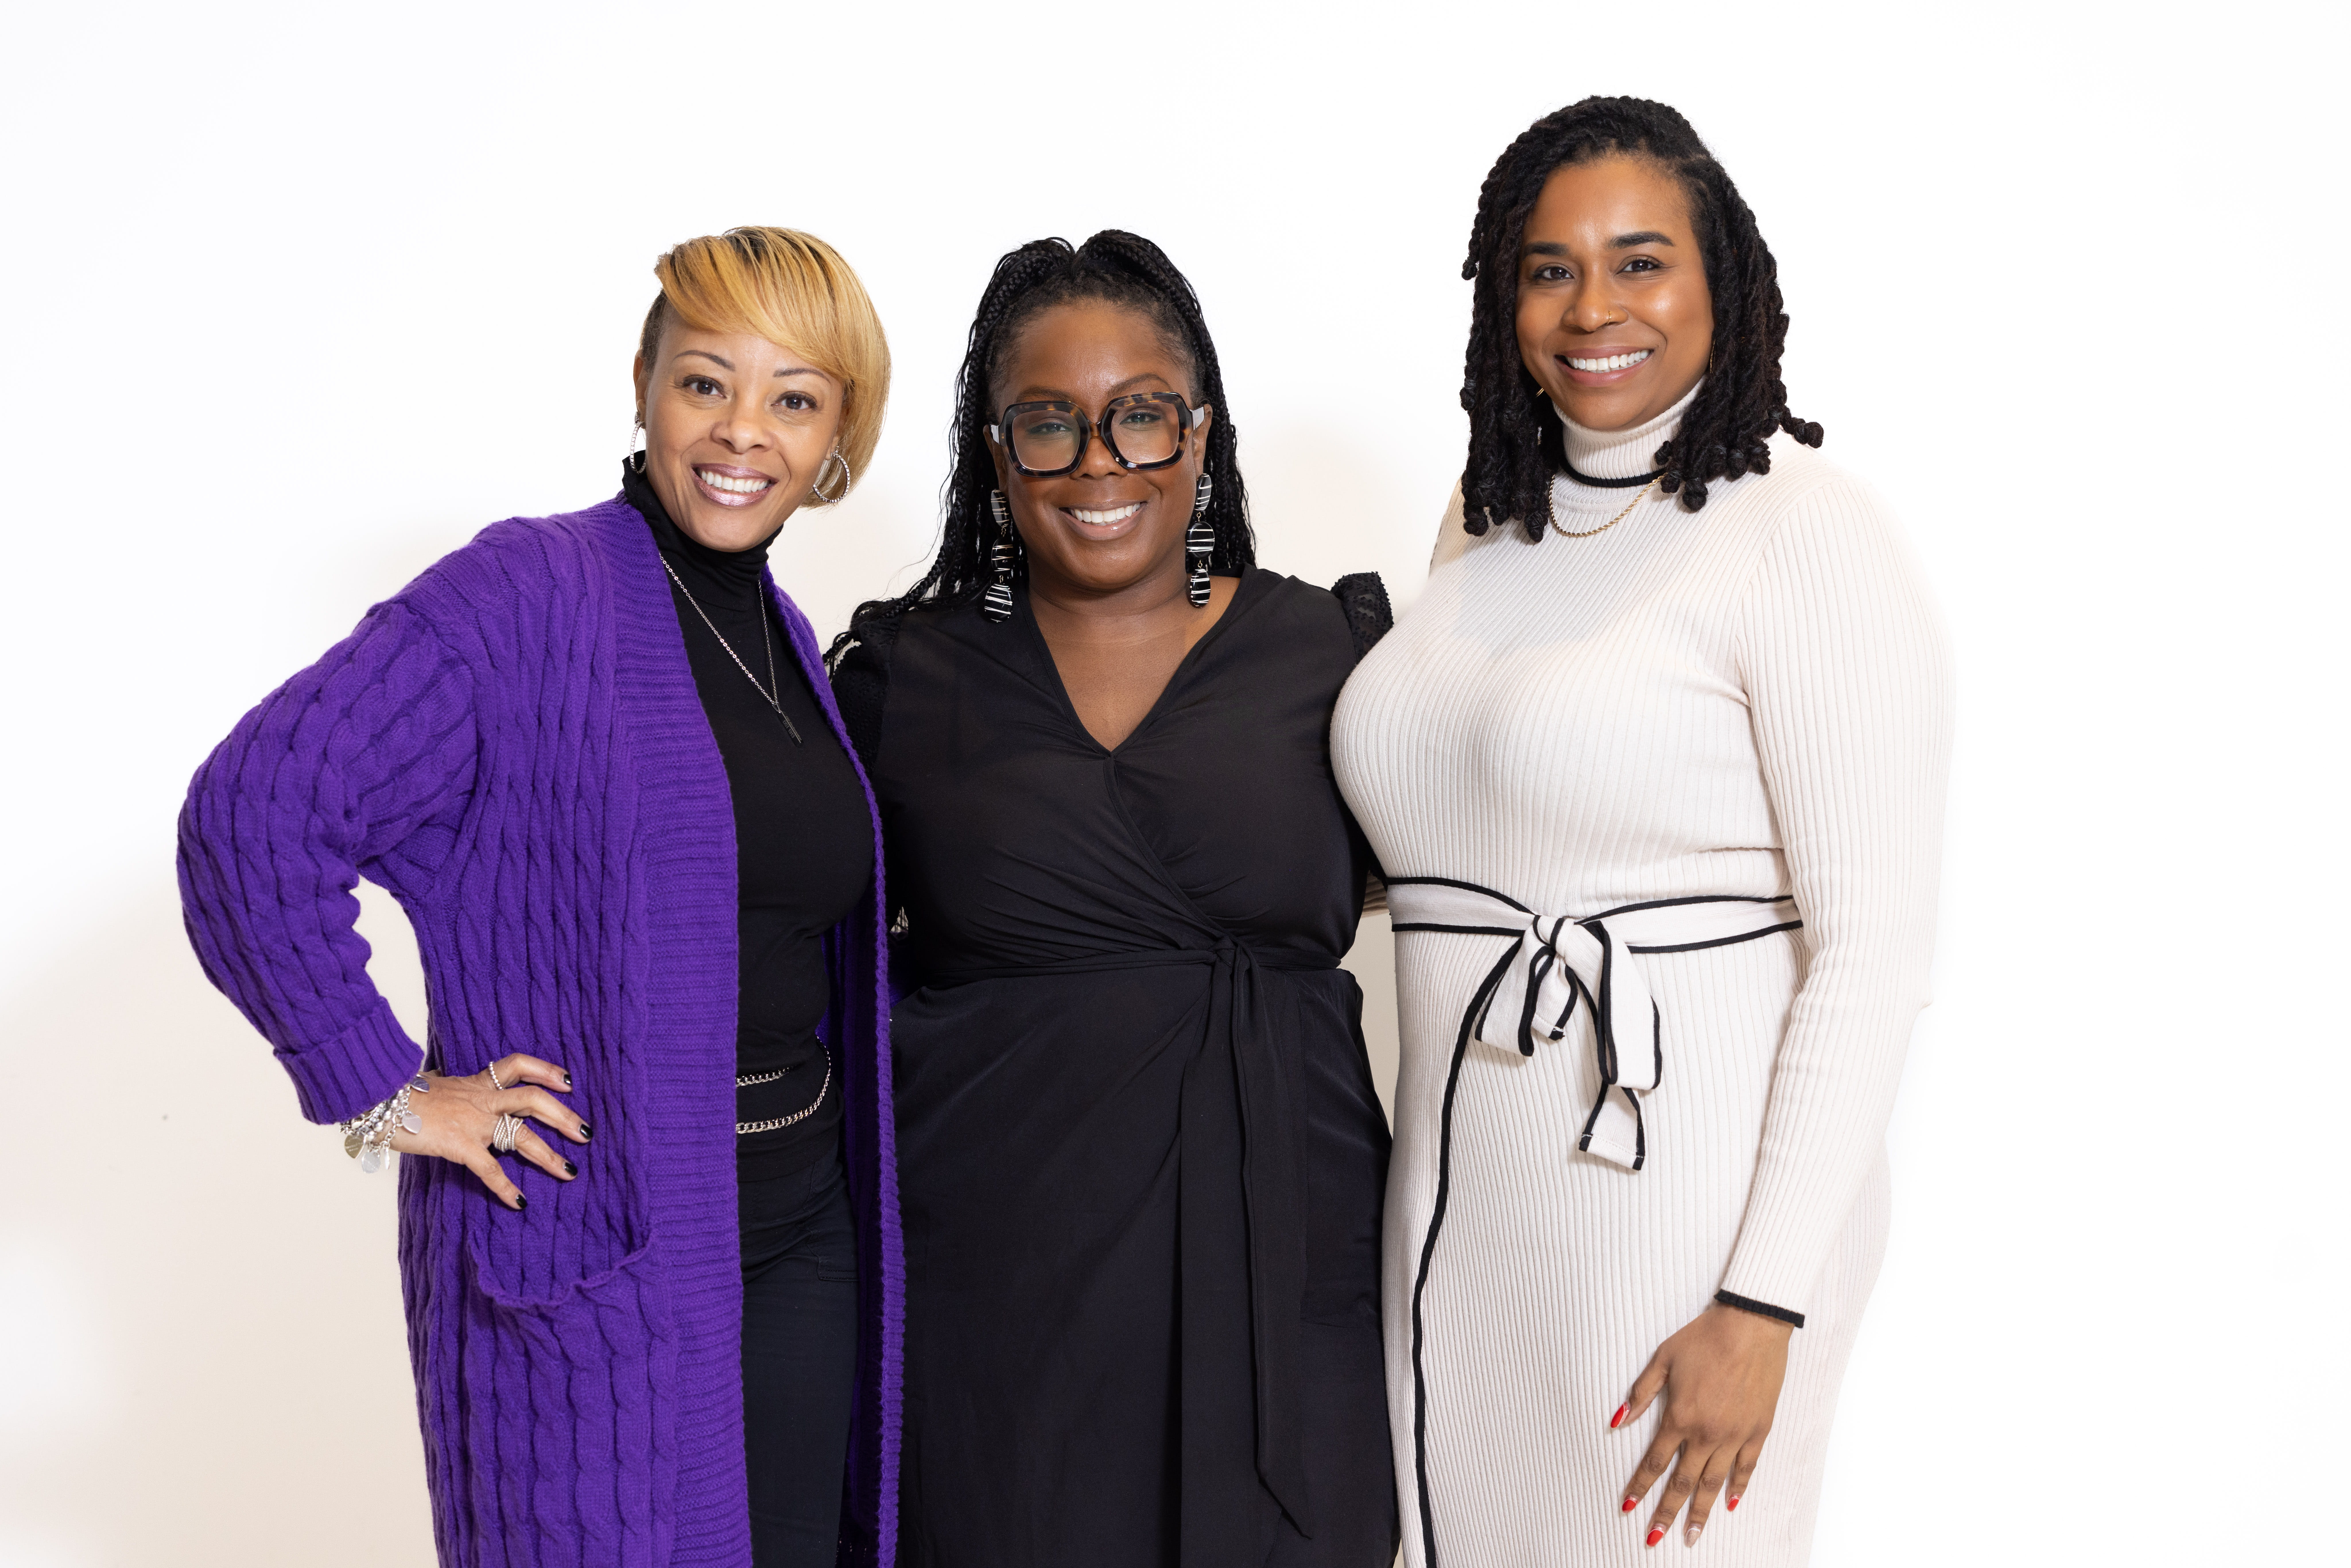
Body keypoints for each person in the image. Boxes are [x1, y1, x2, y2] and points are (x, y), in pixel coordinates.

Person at [177, 227, 904, 1568]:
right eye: (706, 382)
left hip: (804, 1226)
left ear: (837, 437)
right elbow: (250, 816)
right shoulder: (528, 596)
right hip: (601, 1240)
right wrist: (386, 1091)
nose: (741, 432)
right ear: (642, 382)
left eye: (792, 398)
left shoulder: (787, 638)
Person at [1331, 98, 1952, 1566]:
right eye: (1548, 269)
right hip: (1458, 1201)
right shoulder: (1485, 519)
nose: (1592, 307)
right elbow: (1459, 828)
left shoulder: (1800, 530)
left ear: (1719, 279)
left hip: (1678, 1216)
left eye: (1638, 260)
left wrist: (1763, 1301)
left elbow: (1872, 954)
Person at [828, 232, 1398, 1568]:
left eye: (1140, 416)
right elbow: (762, 930)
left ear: (1199, 439)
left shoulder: (1342, 656)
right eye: (1049, 424)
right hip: (995, 1304)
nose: (1098, 462)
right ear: (992, 452)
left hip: (1281, 1265)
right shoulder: (902, 678)